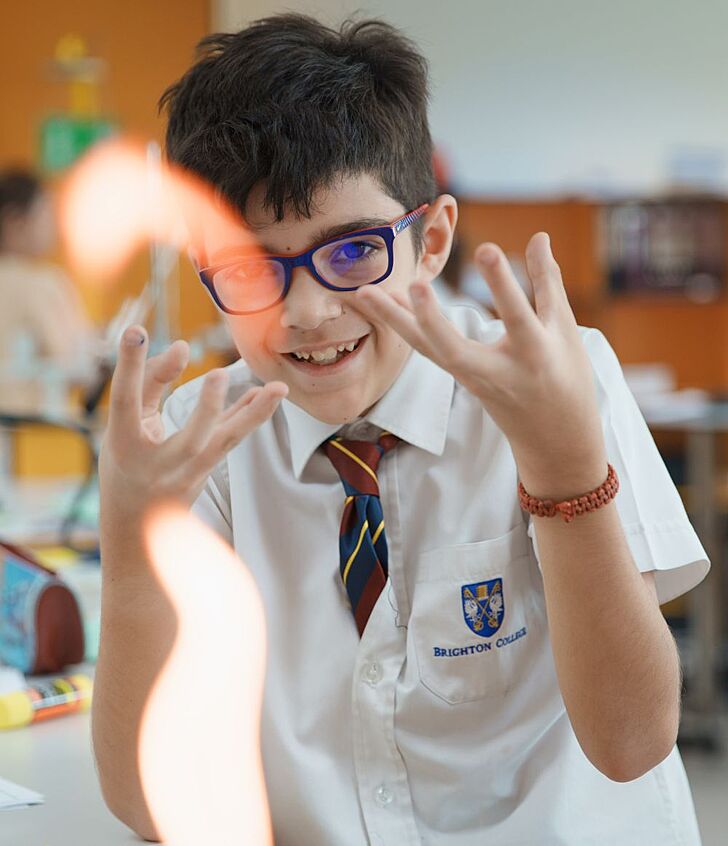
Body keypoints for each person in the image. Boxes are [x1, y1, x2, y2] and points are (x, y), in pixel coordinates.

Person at [92, 15, 709, 845]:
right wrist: (131, 547)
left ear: (432, 240)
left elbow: (633, 744)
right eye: (248, 269)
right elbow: (146, 803)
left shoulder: (557, 379)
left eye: (351, 253)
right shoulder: (203, 443)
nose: (307, 313)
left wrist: (565, 471)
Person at [0, 169, 95, 412]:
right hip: (32, 433)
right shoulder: (42, 283)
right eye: (45, 214)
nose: (53, 226)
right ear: (14, 221)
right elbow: (74, 361)